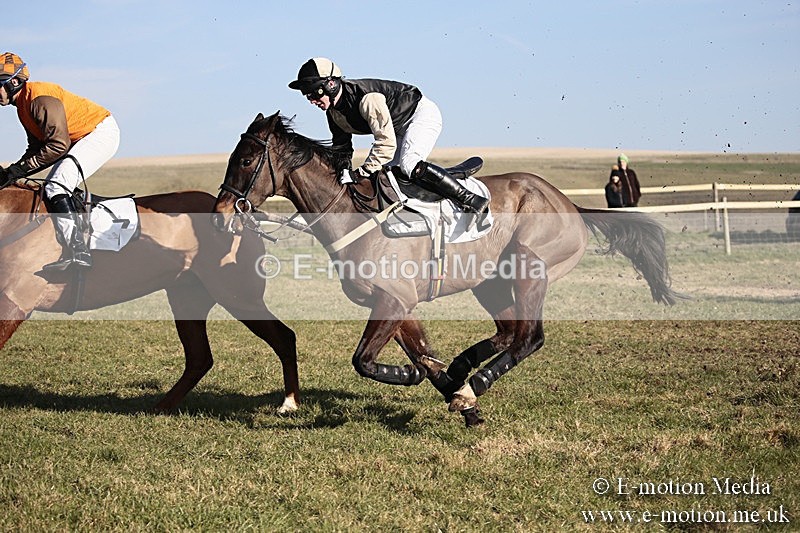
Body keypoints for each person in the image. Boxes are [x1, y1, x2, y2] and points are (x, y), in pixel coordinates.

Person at [287, 57, 489, 215]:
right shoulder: (333, 113)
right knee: (385, 177)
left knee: (409, 164)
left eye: (314, 94)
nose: (312, 101)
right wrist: (342, 174)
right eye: (308, 96)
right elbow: (342, 149)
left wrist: (362, 172)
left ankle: (470, 199)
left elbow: (385, 143)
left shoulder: (367, 99)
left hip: (420, 115)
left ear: (331, 84)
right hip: (398, 127)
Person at [0, 52, 120, 270]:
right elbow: (37, 148)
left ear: (14, 82)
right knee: (55, 185)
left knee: (56, 185)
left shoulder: (38, 99)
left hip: (99, 133)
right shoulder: (23, 107)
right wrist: (11, 172)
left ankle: (79, 252)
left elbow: (57, 146)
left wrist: (17, 171)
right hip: (79, 139)